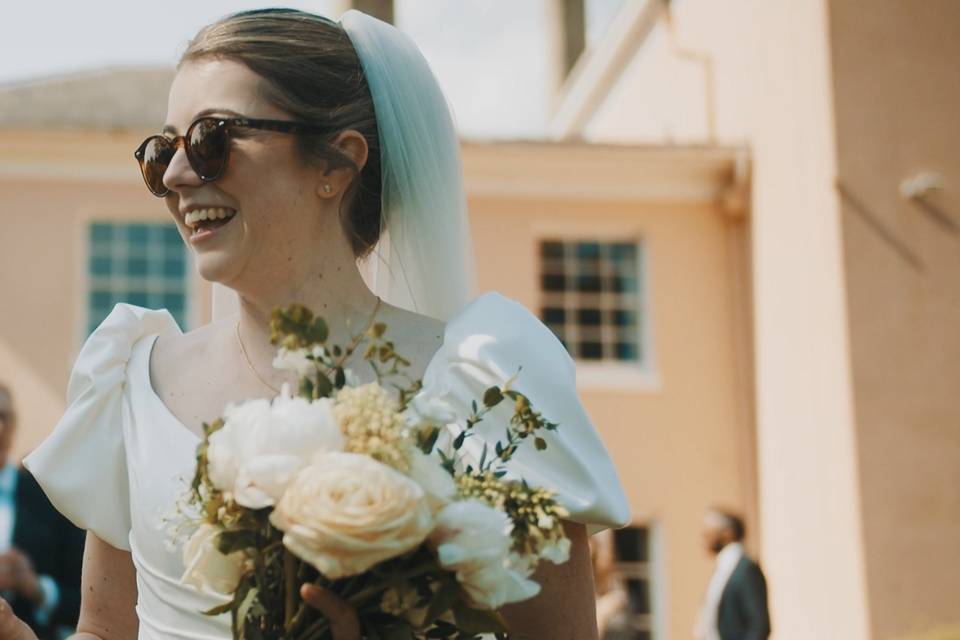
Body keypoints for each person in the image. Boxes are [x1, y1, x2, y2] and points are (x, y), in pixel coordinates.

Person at [0, 8, 629, 640]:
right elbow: (105, 630)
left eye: (212, 139)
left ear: (336, 163)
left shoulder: (486, 385)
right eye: (163, 149)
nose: (174, 177)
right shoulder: (135, 381)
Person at [0, 384, 84, 640]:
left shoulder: (49, 499)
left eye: (4, 417)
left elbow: (85, 601)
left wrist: (35, 587)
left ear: (14, 426)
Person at [694, 508, 771, 640]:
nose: (704, 535)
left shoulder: (745, 569)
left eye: (709, 529)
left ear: (728, 533)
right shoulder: (723, 568)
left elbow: (759, 625)